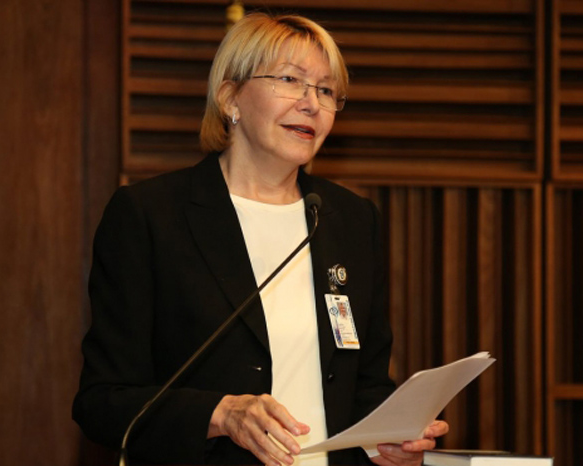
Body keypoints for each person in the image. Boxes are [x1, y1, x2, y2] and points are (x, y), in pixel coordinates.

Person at [73, 13, 448, 466]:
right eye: (290, 80)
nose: (312, 104)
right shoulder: (150, 216)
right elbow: (104, 401)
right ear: (230, 97)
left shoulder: (350, 221)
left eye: (326, 90)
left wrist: (389, 440)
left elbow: (364, 386)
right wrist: (220, 414)